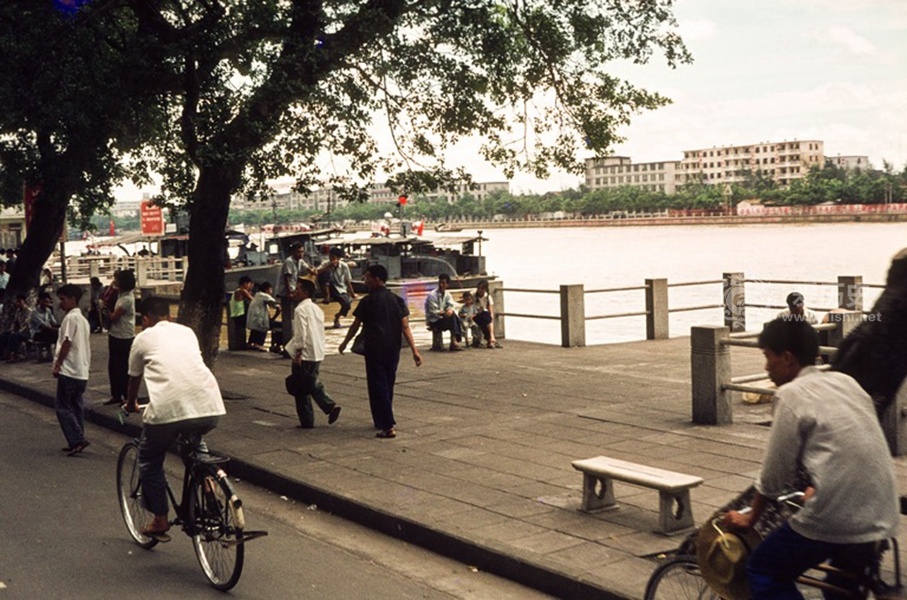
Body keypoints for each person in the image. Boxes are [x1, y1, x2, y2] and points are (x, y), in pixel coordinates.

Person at [723, 318, 898, 599]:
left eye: (768, 356)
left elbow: (773, 475)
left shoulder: (791, 394)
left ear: (787, 358)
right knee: (840, 588)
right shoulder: (845, 382)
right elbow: (852, 444)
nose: (766, 366)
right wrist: (819, 485)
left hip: (839, 513)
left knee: (763, 569)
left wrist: (751, 518)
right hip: (882, 511)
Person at [124, 297, 226, 541]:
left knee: (148, 459)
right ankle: (209, 487)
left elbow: (133, 379)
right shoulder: (187, 332)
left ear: (145, 319)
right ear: (169, 317)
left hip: (168, 411)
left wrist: (130, 404)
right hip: (209, 405)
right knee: (195, 446)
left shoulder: (142, 338)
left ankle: (160, 520)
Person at [339, 264, 422, 439]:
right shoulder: (397, 300)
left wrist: (345, 342)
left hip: (374, 349)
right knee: (388, 383)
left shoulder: (367, 301)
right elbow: (405, 327)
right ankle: (381, 419)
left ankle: (388, 425)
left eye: (368, 277)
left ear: (377, 279)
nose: (365, 280)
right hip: (393, 348)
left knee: (378, 385)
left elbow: (355, 325)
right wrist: (415, 350)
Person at [284, 278, 341, 428]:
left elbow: (300, 334)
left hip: (305, 353)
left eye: (297, 289)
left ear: (305, 292)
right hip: (317, 351)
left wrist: (298, 353)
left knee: (302, 386)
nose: (294, 292)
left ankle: (322, 410)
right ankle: (318, 413)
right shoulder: (317, 309)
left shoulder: (300, 310)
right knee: (309, 381)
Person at [52, 284, 92, 456]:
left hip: (69, 369)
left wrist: (58, 364)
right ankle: (77, 438)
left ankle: (76, 439)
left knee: (62, 406)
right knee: (76, 405)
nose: (61, 303)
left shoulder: (70, 318)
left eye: (63, 299)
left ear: (72, 300)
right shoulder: (83, 320)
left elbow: (67, 342)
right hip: (81, 370)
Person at [276, 242, 316, 353]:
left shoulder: (300, 261)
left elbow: (308, 268)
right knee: (289, 317)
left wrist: (312, 271)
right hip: (287, 291)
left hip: (295, 289)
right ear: (293, 252)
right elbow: (287, 278)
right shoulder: (289, 261)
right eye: (298, 252)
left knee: (296, 315)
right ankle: (288, 343)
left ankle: (293, 342)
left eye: (302, 252)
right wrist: (290, 293)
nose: (301, 254)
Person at [104, 269, 136, 406]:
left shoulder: (127, 299)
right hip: (115, 334)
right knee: (113, 366)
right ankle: (116, 394)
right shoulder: (120, 295)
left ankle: (125, 395)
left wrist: (105, 311)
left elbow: (114, 317)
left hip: (124, 336)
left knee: (123, 367)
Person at [317, 246, 357, 329]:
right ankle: (327, 296)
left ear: (338, 258)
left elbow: (347, 281)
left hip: (340, 289)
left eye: (333, 257)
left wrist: (352, 293)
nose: (331, 259)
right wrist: (328, 267)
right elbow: (317, 272)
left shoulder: (344, 266)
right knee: (324, 273)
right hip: (327, 288)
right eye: (330, 257)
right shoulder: (325, 263)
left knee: (347, 304)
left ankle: (337, 317)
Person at [424, 273, 463, 351]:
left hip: (442, 318)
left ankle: (454, 341)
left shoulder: (447, 295)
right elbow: (433, 311)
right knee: (454, 317)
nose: (441, 285)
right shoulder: (432, 295)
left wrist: (449, 310)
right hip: (434, 320)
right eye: (440, 283)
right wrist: (445, 313)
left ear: (447, 285)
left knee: (453, 316)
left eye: (443, 283)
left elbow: (451, 305)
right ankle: (455, 340)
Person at [246, 281, 280, 352]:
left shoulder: (257, 295)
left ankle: (251, 343)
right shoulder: (264, 296)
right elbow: (276, 305)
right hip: (259, 321)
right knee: (268, 326)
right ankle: (260, 345)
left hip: (253, 320)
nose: (272, 291)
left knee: (257, 328)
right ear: (267, 289)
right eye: (271, 289)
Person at [2, 294, 31, 362]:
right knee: (4, 334)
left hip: (28, 332)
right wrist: (12, 329)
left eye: (19, 301)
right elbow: (15, 322)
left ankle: (15, 355)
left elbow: (27, 325)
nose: (18, 303)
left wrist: (19, 331)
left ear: (24, 301)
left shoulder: (29, 311)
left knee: (14, 335)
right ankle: (5, 353)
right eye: (16, 302)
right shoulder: (18, 311)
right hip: (21, 331)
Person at [474, 279, 502, 349]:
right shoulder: (473, 295)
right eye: (479, 288)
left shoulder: (488, 297)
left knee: (486, 318)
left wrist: (490, 318)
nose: (480, 290)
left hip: (484, 316)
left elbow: (491, 311)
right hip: (474, 315)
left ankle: (490, 339)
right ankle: (492, 338)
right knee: (485, 318)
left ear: (485, 290)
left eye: (482, 289)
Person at [229, 275, 254, 350]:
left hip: (236, 314)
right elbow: (253, 300)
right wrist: (250, 290)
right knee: (256, 324)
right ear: (245, 284)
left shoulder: (236, 291)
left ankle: (244, 344)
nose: (250, 286)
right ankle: (251, 343)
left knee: (240, 330)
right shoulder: (242, 291)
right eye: (249, 284)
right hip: (240, 314)